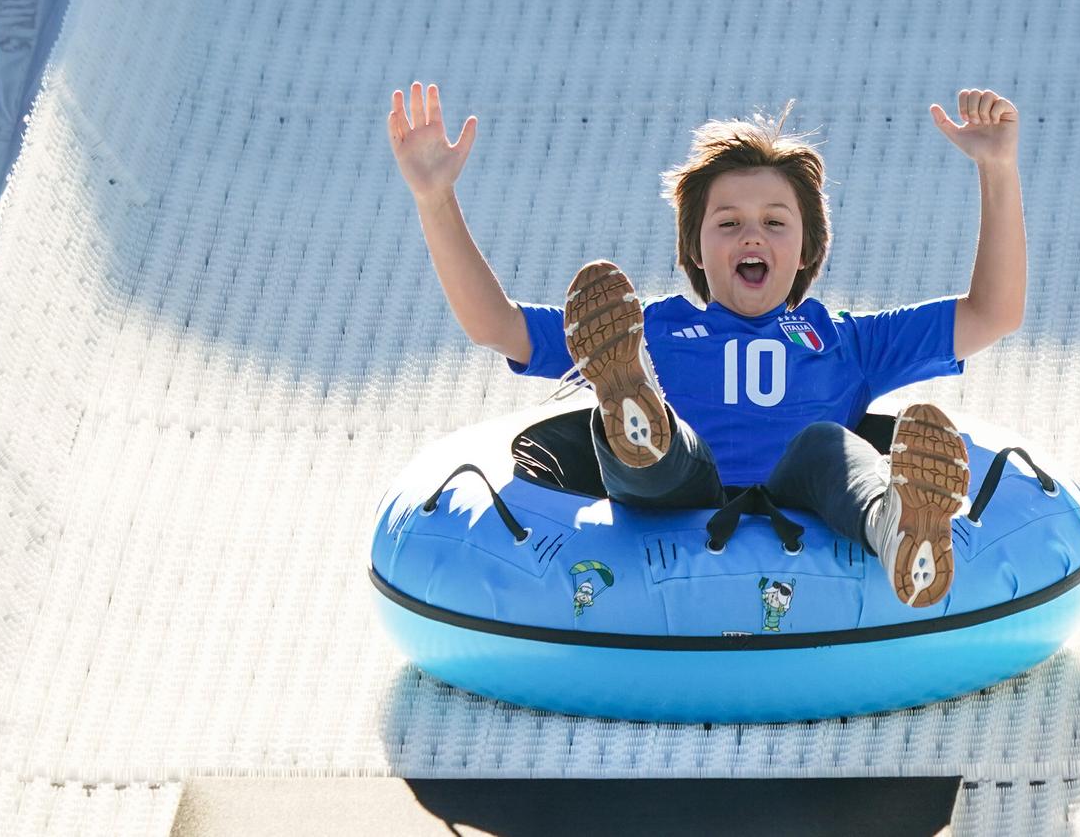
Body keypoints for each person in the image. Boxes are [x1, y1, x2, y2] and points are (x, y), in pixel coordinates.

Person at [386, 82, 1026, 607]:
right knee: (669, 452)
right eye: (729, 224)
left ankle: (896, 524)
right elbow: (497, 324)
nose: (753, 236)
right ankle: (634, 413)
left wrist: (997, 168)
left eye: (775, 222)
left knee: (825, 447)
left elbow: (992, 313)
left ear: (805, 250)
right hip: (677, 498)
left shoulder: (846, 340)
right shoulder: (651, 328)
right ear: (695, 248)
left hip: (808, 497)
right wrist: (434, 198)